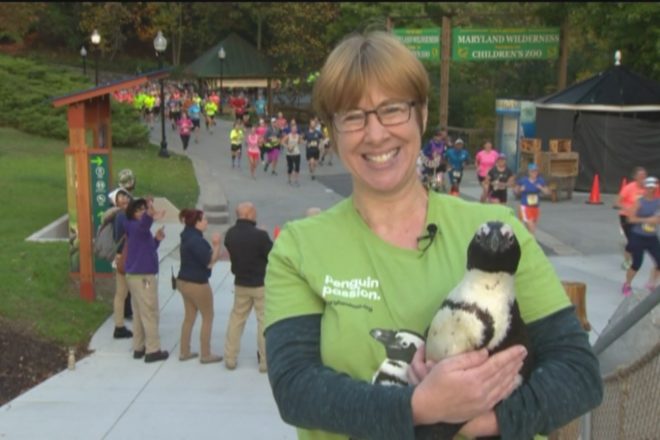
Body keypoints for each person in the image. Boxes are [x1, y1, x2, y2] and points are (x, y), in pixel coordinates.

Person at [264, 31, 602, 440]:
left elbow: (579, 373)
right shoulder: (299, 249)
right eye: (353, 116)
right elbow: (296, 390)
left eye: (392, 109)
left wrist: (484, 420)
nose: (375, 134)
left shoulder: (497, 235)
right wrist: (421, 407)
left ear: (421, 115)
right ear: (333, 132)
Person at [224, 202, 273, 372]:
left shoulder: (230, 234)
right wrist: (266, 235)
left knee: (236, 320)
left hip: (240, 283)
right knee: (263, 321)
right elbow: (271, 255)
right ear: (250, 214)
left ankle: (230, 357)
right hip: (260, 284)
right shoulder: (260, 236)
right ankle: (265, 361)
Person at [124, 197, 169, 363]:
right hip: (144, 278)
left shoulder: (136, 229)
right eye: (139, 210)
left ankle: (139, 347)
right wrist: (150, 213)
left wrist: (157, 239)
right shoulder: (137, 226)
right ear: (132, 213)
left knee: (138, 313)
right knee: (150, 311)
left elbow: (147, 248)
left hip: (135, 276)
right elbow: (145, 224)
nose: (142, 211)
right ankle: (153, 350)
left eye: (144, 208)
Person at [176, 209, 224, 363]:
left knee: (189, 317)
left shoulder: (186, 236)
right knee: (208, 317)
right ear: (196, 222)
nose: (206, 222)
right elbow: (210, 261)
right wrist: (217, 245)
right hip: (198, 284)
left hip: (183, 281)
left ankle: (184, 351)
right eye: (204, 220)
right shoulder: (196, 241)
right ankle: (205, 354)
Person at [621, 176, 660, 296]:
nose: (651, 190)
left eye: (653, 188)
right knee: (637, 263)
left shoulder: (658, 202)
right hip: (638, 236)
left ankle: (651, 284)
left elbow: (658, 219)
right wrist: (647, 219)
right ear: (645, 189)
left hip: (651, 237)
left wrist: (655, 220)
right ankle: (627, 284)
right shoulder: (640, 202)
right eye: (649, 188)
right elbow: (630, 218)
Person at [615, 167, 648, 269]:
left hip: (640, 218)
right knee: (633, 240)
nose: (643, 178)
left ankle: (629, 250)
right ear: (635, 177)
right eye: (641, 176)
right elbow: (617, 202)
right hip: (626, 217)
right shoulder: (629, 188)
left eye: (644, 176)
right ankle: (627, 261)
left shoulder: (648, 189)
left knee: (639, 240)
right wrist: (627, 207)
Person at [514, 163, 551, 235]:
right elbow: (515, 191)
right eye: (532, 171)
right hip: (525, 207)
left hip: (535, 208)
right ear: (529, 172)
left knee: (530, 230)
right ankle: (532, 244)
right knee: (532, 229)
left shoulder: (540, 181)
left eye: (536, 171)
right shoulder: (523, 180)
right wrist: (520, 190)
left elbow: (548, 192)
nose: (534, 173)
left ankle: (525, 243)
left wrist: (541, 188)